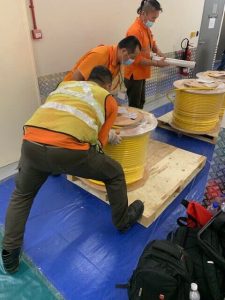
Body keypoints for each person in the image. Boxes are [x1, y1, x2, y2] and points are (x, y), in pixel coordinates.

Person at [1, 66, 144, 274]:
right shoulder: (107, 99)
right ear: (108, 84)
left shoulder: (64, 86)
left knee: (22, 195)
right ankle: (122, 221)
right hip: (68, 151)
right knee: (114, 173)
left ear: (88, 79)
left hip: (30, 143)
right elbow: (99, 145)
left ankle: (9, 256)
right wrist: (109, 138)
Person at [124, 0, 168, 109]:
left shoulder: (145, 28)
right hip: (134, 75)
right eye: (153, 18)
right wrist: (157, 63)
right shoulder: (135, 31)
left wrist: (159, 52)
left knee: (141, 102)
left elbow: (151, 42)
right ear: (143, 13)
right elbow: (137, 59)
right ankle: (134, 125)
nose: (154, 21)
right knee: (135, 107)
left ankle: (139, 124)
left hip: (142, 73)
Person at [63, 36, 142, 92]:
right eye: (132, 57)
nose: (133, 60)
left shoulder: (118, 62)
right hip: (69, 92)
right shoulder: (100, 54)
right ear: (124, 51)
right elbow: (76, 77)